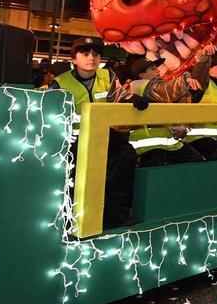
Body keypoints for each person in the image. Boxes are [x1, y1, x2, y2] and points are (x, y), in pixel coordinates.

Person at [49, 37, 145, 229]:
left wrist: (133, 99)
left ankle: (116, 218)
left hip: (106, 139)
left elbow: (119, 96)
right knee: (74, 184)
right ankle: (71, 222)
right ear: (74, 59)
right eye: (85, 54)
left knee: (125, 160)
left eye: (96, 54)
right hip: (74, 144)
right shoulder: (59, 84)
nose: (91, 58)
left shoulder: (107, 76)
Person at [123, 55, 205, 167]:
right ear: (142, 75)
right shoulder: (149, 87)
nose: (158, 70)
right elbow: (167, 89)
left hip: (163, 143)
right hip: (152, 147)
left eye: (156, 68)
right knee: (195, 163)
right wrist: (185, 80)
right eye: (152, 69)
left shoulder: (134, 89)